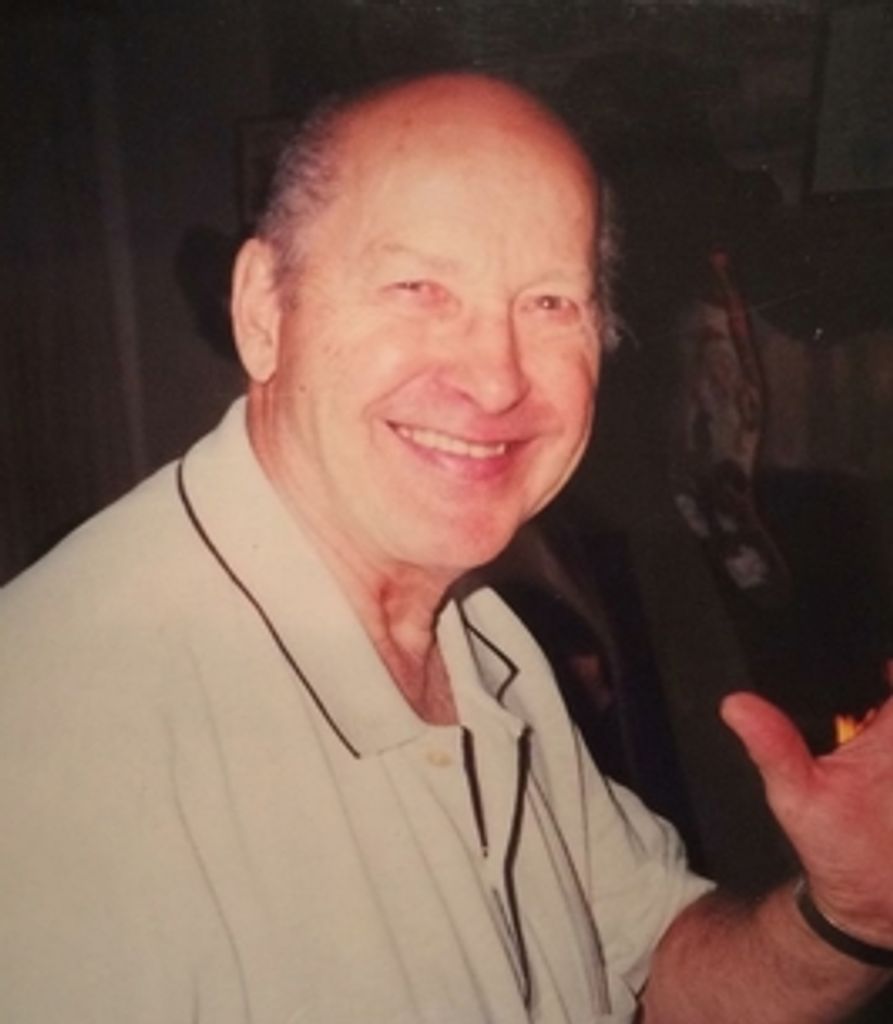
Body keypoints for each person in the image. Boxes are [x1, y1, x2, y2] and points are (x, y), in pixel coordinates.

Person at [0, 72, 890, 1023]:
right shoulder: (58, 743)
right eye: (418, 288)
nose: (496, 379)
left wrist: (856, 912)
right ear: (262, 309)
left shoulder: (481, 634)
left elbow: (657, 968)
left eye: (550, 303)